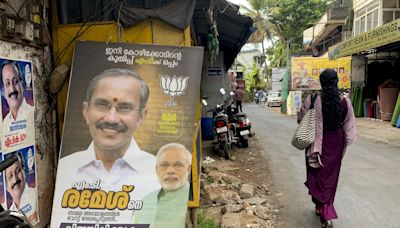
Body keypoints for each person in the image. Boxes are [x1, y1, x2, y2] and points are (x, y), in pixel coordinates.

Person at [51, 68, 160, 226]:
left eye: (124, 107)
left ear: (141, 117)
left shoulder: (161, 174)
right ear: (86, 111)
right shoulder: (66, 167)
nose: (111, 118)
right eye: (102, 105)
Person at [297, 69, 356, 228]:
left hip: (315, 143)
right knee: (330, 179)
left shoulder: (312, 99)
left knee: (316, 175)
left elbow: (301, 118)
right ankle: (322, 206)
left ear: (321, 83)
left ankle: (325, 213)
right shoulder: (345, 102)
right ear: (336, 82)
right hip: (336, 144)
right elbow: (349, 126)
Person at [133, 143, 191, 227]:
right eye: (164, 165)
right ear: (156, 170)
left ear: (188, 169)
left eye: (178, 165)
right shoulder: (146, 201)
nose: (170, 171)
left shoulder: (195, 201)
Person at [0, 60, 35, 149]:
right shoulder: (4, 125)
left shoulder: (33, 114)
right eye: (7, 83)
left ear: (22, 84)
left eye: (15, 81)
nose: (12, 89)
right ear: (3, 91)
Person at [5, 152, 38, 224]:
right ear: (7, 187)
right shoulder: (8, 213)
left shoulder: (35, 196)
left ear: (24, 172)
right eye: (10, 176)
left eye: (18, 171)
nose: (15, 179)